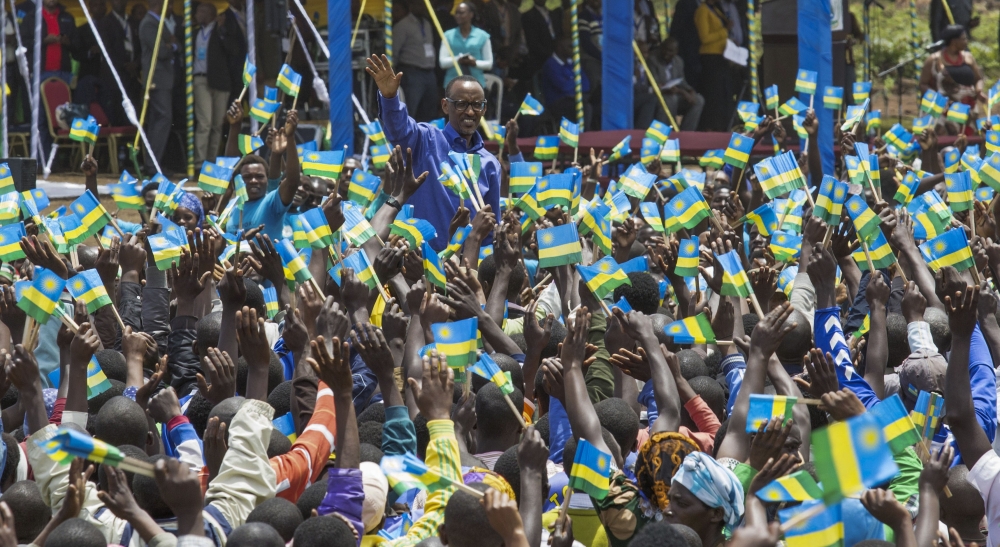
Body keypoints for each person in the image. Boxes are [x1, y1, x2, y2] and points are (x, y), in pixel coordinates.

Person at [367, 53, 501, 251]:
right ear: (446, 106)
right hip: (420, 266)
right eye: (462, 104)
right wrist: (389, 98)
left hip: (464, 270)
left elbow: (490, 231)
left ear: (484, 109)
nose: (470, 112)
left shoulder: (490, 164)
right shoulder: (426, 139)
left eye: (477, 105)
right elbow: (398, 130)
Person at [919, 24, 984, 135]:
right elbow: (923, 84)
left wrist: (979, 91)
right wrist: (938, 99)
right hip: (943, 109)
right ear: (954, 41)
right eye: (964, 39)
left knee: (965, 141)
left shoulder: (968, 57)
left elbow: (978, 79)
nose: (966, 41)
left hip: (967, 108)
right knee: (944, 142)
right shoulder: (934, 60)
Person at [193, 2, 235, 166]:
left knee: (217, 124)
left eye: (200, 11)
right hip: (200, 79)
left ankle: (210, 162)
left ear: (210, 14)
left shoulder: (221, 30)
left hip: (220, 81)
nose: (197, 14)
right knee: (205, 122)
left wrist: (222, 29)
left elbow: (233, 50)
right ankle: (199, 162)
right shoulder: (194, 33)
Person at [139, 0, 177, 176]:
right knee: (162, 118)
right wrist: (172, 45)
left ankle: (154, 163)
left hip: (162, 79)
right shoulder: (149, 24)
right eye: (169, 5)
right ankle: (152, 165)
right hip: (157, 79)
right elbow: (161, 51)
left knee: (158, 120)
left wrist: (171, 44)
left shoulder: (158, 23)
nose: (171, 8)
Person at [391, 0, 439, 122]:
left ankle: (426, 136)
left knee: (430, 108)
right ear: (411, 6)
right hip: (412, 72)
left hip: (429, 72)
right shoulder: (402, 25)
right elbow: (394, 52)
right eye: (419, 4)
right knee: (411, 108)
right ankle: (408, 138)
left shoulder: (427, 24)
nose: (423, 7)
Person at [95, 0, 140, 126]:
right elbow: (107, 50)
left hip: (132, 75)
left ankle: (132, 143)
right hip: (115, 75)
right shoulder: (105, 22)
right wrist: (124, 65)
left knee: (133, 110)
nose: (119, 2)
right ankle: (119, 145)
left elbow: (141, 47)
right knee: (117, 111)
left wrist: (136, 63)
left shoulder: (133, 21)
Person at [649, 37, 704, 131]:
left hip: (675, 92)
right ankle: (667, 131)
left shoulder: (678, 61)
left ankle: (687, 133)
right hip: (660, 94)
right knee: (671, 99)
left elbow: (682, 82)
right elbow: (655, 83)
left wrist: (690, 91)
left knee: (699, 100)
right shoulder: (653, 60)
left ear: (676, 51)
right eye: (664, 49)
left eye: (670, 51)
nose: (666, 52)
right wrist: (681, 92)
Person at [694, 0, 732, 131]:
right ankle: (711, 126)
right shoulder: (702, 11)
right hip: (710, 56)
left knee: (722, 93)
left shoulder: (715, 9)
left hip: (722, 55)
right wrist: (724, 31)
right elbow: (704, 38)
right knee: (713, 93)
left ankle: (722, 125)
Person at [439, 3, 493, 89]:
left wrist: (474, 63)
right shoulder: (448, 36)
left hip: (476, 86)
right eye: (456, 13)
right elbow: (442, 63)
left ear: (471, 14)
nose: (458, 15)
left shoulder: (482, 36)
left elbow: (489, 64)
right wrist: (458, 59)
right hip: (453, 87)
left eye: (461, 13)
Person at [539, 36, 589, 124]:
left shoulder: (573, 62)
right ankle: (584, 134)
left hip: (575, 99)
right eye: (570, 46)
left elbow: (586, 85)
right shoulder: (550, 64)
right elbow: (563, 87)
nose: (574, 49)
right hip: (557, 103)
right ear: (560, 48)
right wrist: (577, 80)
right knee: (584, 107)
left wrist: (571, 82)